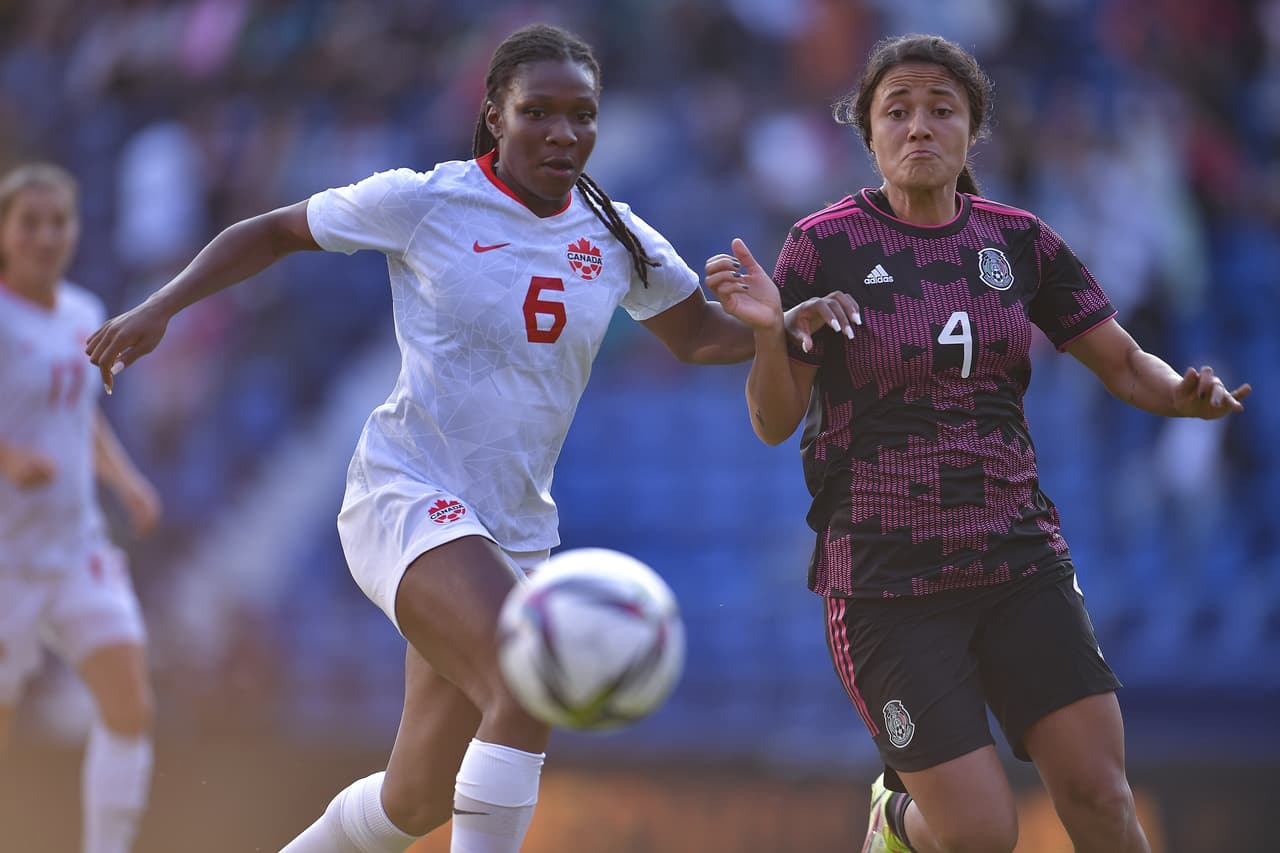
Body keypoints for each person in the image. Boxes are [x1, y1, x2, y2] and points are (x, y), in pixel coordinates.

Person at [86, 23, 849, 853]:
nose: (565, 133)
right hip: (405, 492)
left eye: (582, 115)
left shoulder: (616, 235)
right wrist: (161, 304)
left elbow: (697, 334)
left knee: (414, 798)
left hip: (515, 531)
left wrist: (779, 323)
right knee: (531, 674)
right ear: (495, 114)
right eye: (540, 112)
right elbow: (273, 229)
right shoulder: (429, 200)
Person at [705, 33, 1252, 853]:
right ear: (870, 135)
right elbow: (773, 422)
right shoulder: (824, 245)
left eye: (940, 110)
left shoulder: (1020, 242)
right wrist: (766, 335)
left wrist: (1181, 394)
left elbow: (1125, 361)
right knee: (983, 835)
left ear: (972, 131)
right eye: (898, 112)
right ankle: (893, 818)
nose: (919, 126)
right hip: (890, 584)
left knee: (1102, 796)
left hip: (1019, 561)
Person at [0, 163, 162, 853]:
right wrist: (10, 457)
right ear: (5, 232)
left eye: (57, 221)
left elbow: (81, 415)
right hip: (7, 558)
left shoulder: (86, 312)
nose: (44, 235)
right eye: (29, 221)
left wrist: (126, 481)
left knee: (130, 702)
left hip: (76, 546)